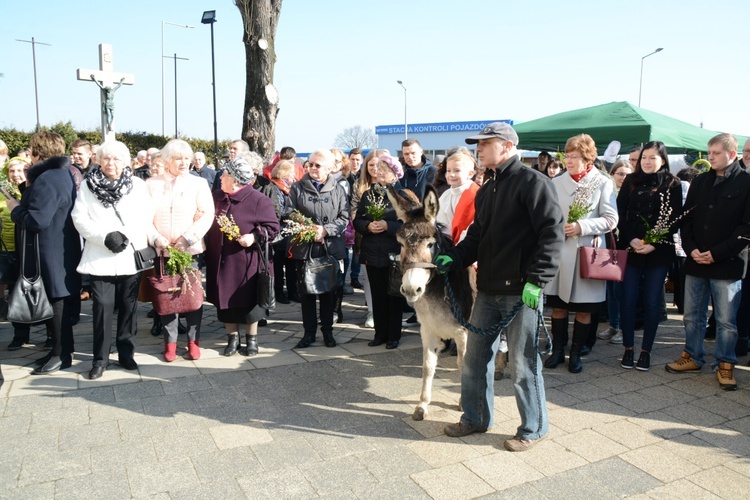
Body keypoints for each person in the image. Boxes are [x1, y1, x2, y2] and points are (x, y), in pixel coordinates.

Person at [437, 122, 564, 452]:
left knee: (523, 364)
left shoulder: (533, 182)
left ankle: (534, 428)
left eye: (485, 143)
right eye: (477, 145)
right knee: (475, 359)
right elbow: (477, 237)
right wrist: (454, 257)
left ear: (506, 147)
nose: (478, 149)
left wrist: (537, 280)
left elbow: (552, 235)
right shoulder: (489, 186)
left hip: (522, 291)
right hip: (489, 288)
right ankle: (476, 417)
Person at [666, 134, 750, 389]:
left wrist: (716, 253)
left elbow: (746, 228)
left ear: (732, 154)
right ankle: (692, 355)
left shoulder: (747, 182)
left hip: (727, 263)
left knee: (726, 320)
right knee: (692, 315)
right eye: (709, 152)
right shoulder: (701, 181)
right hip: (695, 261)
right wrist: (691, 249)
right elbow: (687, 218)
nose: (709, 157)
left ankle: (725, 364)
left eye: (715, 153)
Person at [71, 141, 154, 380]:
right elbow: (79, 218)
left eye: (117, 158)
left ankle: (126, 353)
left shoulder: (137, 185)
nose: (111, 163)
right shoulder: (88, 185)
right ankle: (100, 358)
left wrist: (123, 235)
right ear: (98, 160)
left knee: (129, 308)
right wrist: (104, 237)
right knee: (102, 309)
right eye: (107, 158)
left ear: (126, 161)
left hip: (129, 254)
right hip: (100, 256)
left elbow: (146, 213)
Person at [7, 131, 82, 375]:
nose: (29, 154)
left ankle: (61, 354)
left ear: (39, 152)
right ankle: (60, 351)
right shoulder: (59, 174)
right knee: (57, 303)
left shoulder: (49, 178)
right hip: (58, 249)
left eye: (31, 150)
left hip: (50, 251)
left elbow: (38, 220)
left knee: (57, 304)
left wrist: (15, 208)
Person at [543, 134, 618, 373]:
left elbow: (611, 219)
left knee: (585, 308)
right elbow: (548, 216)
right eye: (567, 155)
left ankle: (576, 353)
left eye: (574, 156)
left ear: (588, 158)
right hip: (561, 252)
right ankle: (557, 350)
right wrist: (556, 230)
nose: (569, 160)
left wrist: (582, 226)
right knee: (558, 306)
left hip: (588, 253)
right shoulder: (556, 182)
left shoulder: (602, 182)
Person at [616, 141, 682, 371]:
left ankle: (646, 351)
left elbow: (673, 218)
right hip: (631, 247)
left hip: (658, 250)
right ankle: (627, 349)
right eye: (644, 157)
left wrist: (653, 243)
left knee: (653, 301)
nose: (647, 161)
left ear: (662, 160)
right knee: (629, 298)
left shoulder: (672, 184)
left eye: (653, 157)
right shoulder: (631, 181)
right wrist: (632, 238)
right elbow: (620, 213)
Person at [146, 139, 214, 362]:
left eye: (187, 158)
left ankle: (194, 342)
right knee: (167, 297)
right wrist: (156, 238)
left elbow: (206, 214)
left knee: (192, 297)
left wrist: (188, 238)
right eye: (178, 158)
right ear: (167, 161)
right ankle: (170, 343)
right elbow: (143, 217)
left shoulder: (199, 184)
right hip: (162, 251)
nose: (184, 162)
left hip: (190, 249)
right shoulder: (151, 184)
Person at [205, 154, 279, 357]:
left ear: (236, 179)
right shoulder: (217, 196)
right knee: (225, 300)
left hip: (247, 260)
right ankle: (232, 338)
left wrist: (254, 237)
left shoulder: (258, 199)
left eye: (225, 174)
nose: (221, 177)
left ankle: (251, 339)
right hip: (221, 259)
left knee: (249, 302)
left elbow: (273, 228)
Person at [288, 149, 349, 348]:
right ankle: (309, 333)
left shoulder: (338, 189)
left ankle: (328, 332)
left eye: (318, 165)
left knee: (328, 292)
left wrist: (325, 230)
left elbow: (344, 217)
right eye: (310, 164)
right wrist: (309, 229)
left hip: (329, 247)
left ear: (330, 168)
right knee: (306, 292)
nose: (312, 168)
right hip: (305, 248)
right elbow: (289, 213)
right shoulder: (297, 188)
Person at [354, 155, 404, 349]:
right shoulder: (368, 195)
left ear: (394, 173)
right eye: (378, 169)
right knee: (377, 295)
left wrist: (387, 226)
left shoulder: (402, 195)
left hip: (394, 252)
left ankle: (394, 335)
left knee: (394, 295)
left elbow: (409, 224)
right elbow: (357, 221)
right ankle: (380, 334)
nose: (379, 172)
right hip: (373, 252)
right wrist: (367, 225)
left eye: (384, 169)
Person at [352, 149, 389, 328]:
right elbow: (354, 212)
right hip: (365, 238)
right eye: (371, 165)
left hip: (386, 242)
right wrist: (367, 225)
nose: (374, 169)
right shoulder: (360, 187)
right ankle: (372, 312)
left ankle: (384, 314)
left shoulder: (392, 188)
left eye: (378, 165)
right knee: (367, 278)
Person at [597, 160, 633, 342]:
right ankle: (614, 325)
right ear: (612, 174)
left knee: (620, 290)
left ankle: (621, 328)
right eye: (620, 173)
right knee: (610, 290)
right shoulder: (607, 192)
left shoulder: (631, 194)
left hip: (625, 248)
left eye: (627, 174)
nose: (623, 177)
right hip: (609, 247)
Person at [2, 156, 30, 348]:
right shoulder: (3, 193)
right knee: (14, 294)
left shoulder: (30, 192)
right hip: (6, 250)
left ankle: (48, 333)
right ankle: (20, 334)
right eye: (12, 171)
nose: (15, 175)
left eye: (19, 170)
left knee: (32, 290)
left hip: (27, 249)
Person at [260, 159, 296, 304]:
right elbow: (278, 210)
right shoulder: (275, 188)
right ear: (284, 173)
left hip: (290, 231)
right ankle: (279, 292)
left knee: (291, 263)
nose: (294, 175)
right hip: (280, 232)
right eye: (291, 172)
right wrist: (292, 214)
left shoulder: (290, 188)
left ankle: (293, 291)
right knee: (279, 264)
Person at [435, 148, 479, 244]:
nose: (451, 174)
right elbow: (441, 223)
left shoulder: (476, 194)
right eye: (449, 170)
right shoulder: (446, 195)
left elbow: (471, 227)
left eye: (457, 170)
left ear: (470, 174)